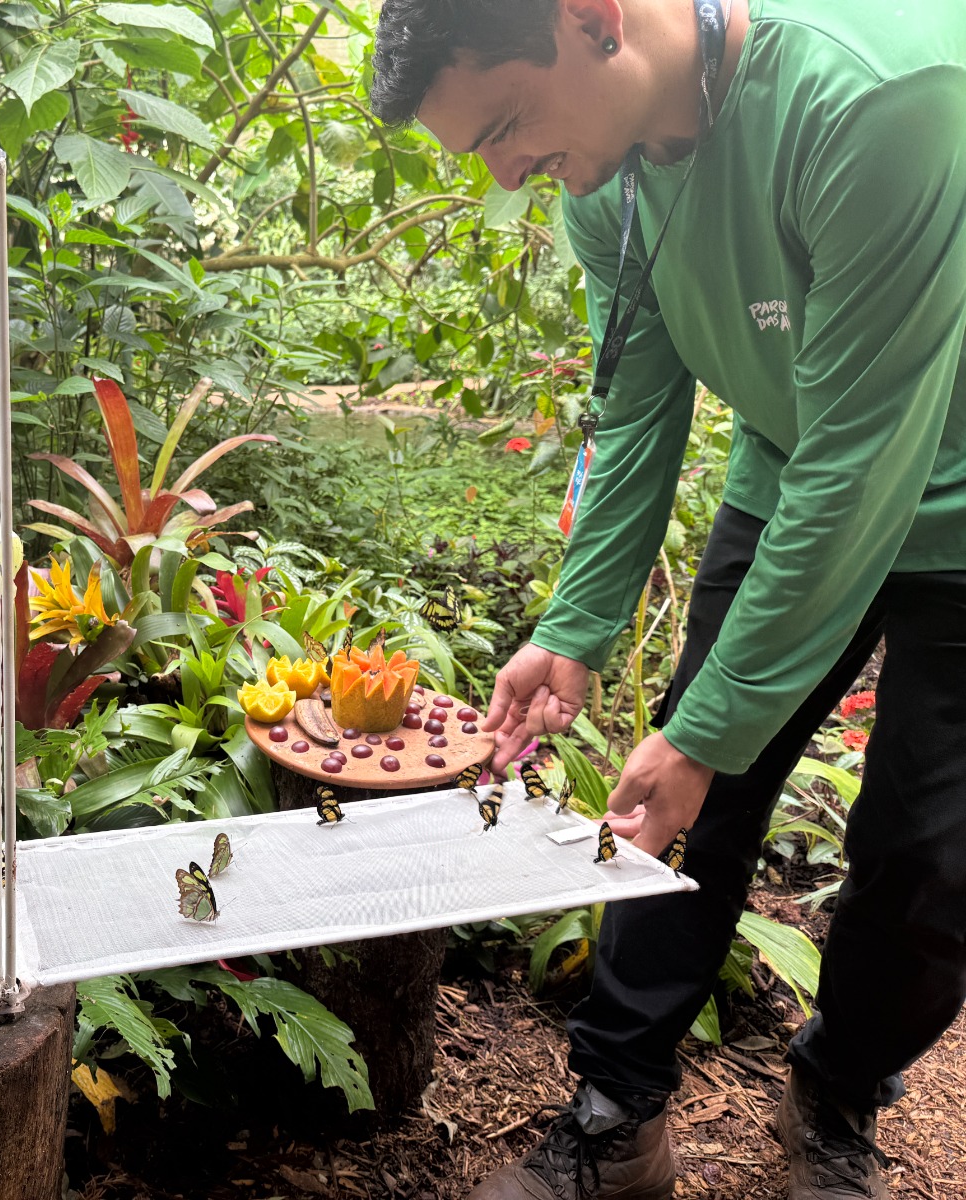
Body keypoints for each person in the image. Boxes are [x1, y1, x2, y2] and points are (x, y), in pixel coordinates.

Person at [370, 0, 966, 1197]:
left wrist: (703, 729)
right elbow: (636, 414)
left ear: (593, 20)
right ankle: (614, 1117)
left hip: (929, 499)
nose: (502, 175)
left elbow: (863, 460)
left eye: (504, 124)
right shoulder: (606, 184)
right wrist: (573, 628)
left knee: (934, 858)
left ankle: (839, 1093)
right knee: (687, 813)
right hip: (797, 470)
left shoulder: (875, 100)